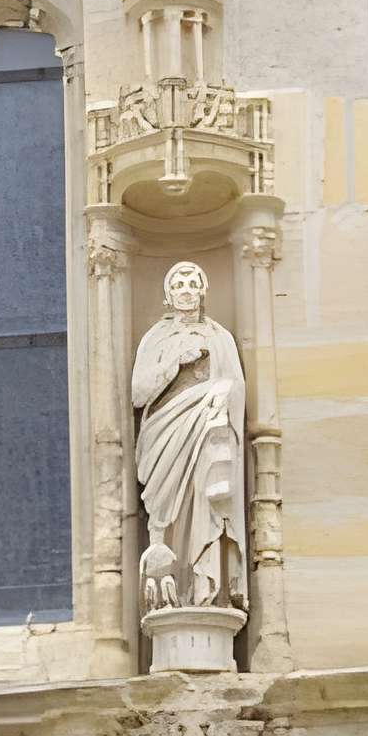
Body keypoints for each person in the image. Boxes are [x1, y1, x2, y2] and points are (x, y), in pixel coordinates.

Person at [131, 259, 248, 613]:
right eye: (178, 284)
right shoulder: (156, 338)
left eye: (192, 283)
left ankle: (204, 586)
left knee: (205, 500)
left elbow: (237, 386)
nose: (185, 290)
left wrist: (219, 392)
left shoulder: (220, 337)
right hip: (165, 433)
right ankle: (168, 578)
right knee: (166, 507)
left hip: (207, 431)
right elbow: (138, 394)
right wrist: (176, 364)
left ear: (203, 291)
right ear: (167, 295)